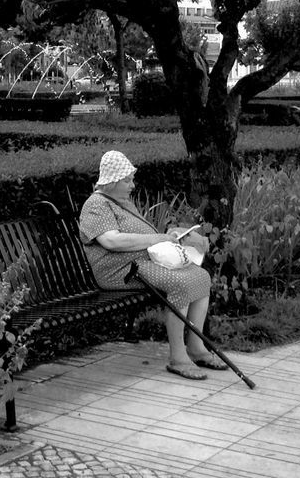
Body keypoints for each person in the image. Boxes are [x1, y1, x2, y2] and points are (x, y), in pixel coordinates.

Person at [78, 150, 224, 380]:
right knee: (179, 282)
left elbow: (142, 235)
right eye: (127, 180)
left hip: (140, 263)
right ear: (113, 181)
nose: (132, 185)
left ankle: (196, 348)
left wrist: (170, 235)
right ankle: (178, 358)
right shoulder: (96, 204)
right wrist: (158, 239)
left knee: (201, 277)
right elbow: (111, 241)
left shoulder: (121, 202)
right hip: (120, 270)